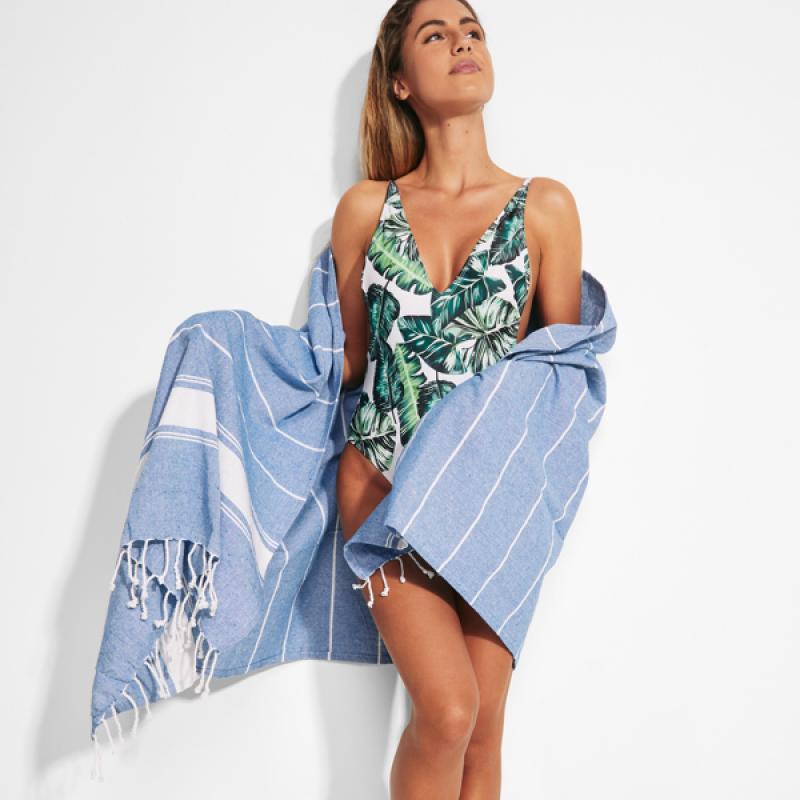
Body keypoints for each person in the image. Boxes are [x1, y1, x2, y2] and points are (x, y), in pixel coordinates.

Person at [332, 0, 582, 797]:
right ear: (400, 81)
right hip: (383, 492)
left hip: (491, 499)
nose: (462, 41)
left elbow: (560, 377)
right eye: (435, 35)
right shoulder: (365, 210)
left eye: (472, 30)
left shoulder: (545, 207)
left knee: (483, 732)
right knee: (447, 712)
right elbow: (348, 363)